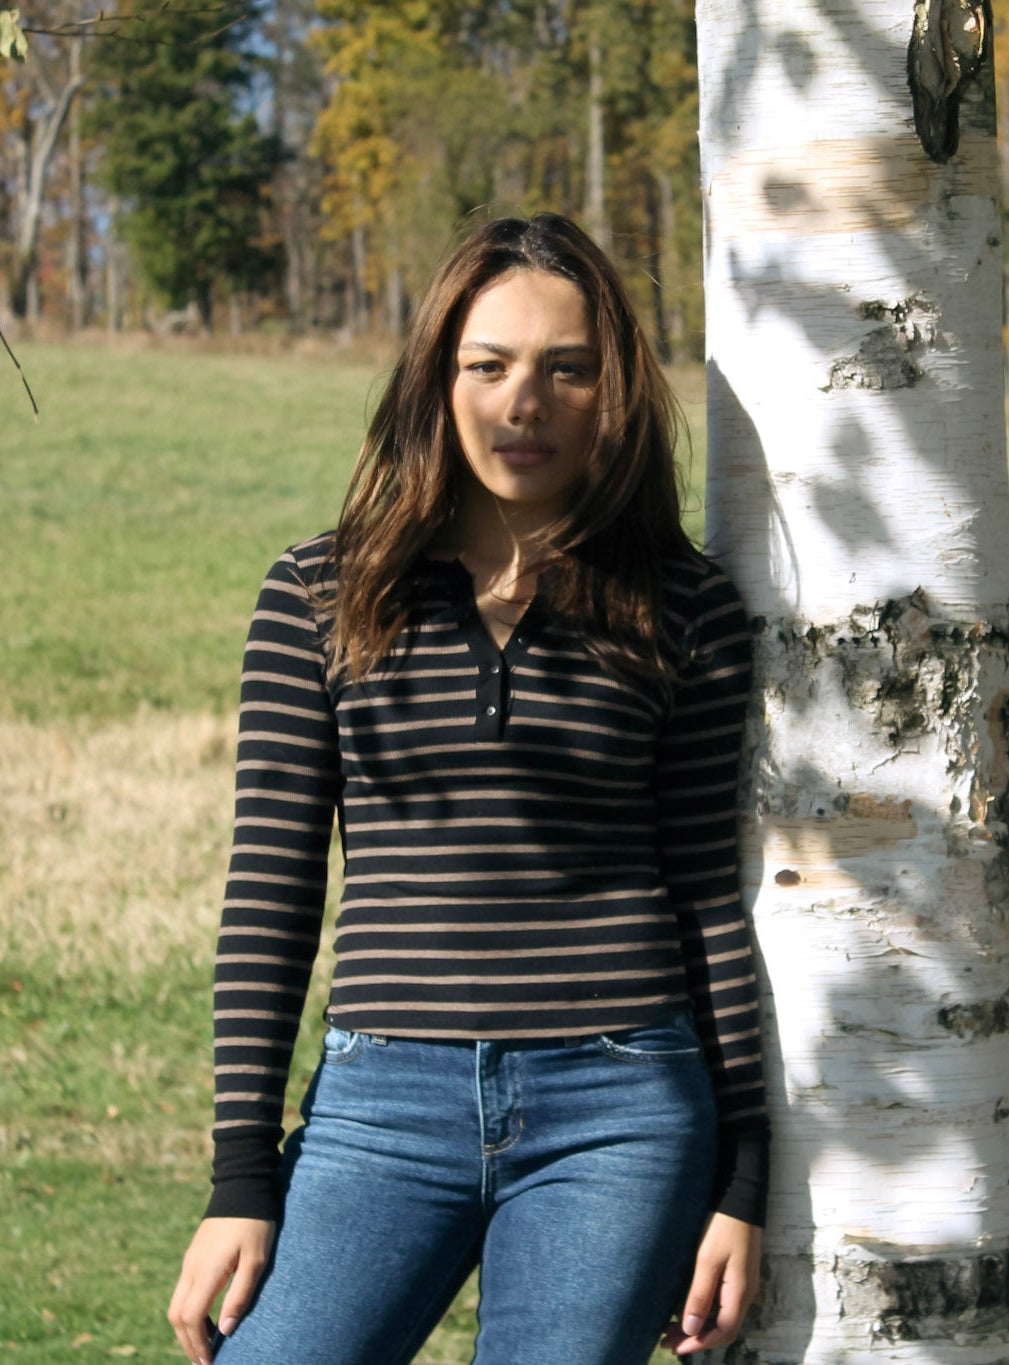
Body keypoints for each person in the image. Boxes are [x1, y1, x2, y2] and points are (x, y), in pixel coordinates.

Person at [167, 212, 769, 1365]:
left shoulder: (684, 606)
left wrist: (743, 1180)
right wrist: (239, 1178)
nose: (523, 402)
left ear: (613, 393)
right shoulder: (318, 591)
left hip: (622, 1112)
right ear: (437, 382)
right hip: (378, 1110)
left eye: (565, 368)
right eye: (486, 365)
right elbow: (270, 898)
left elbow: (704, 895)